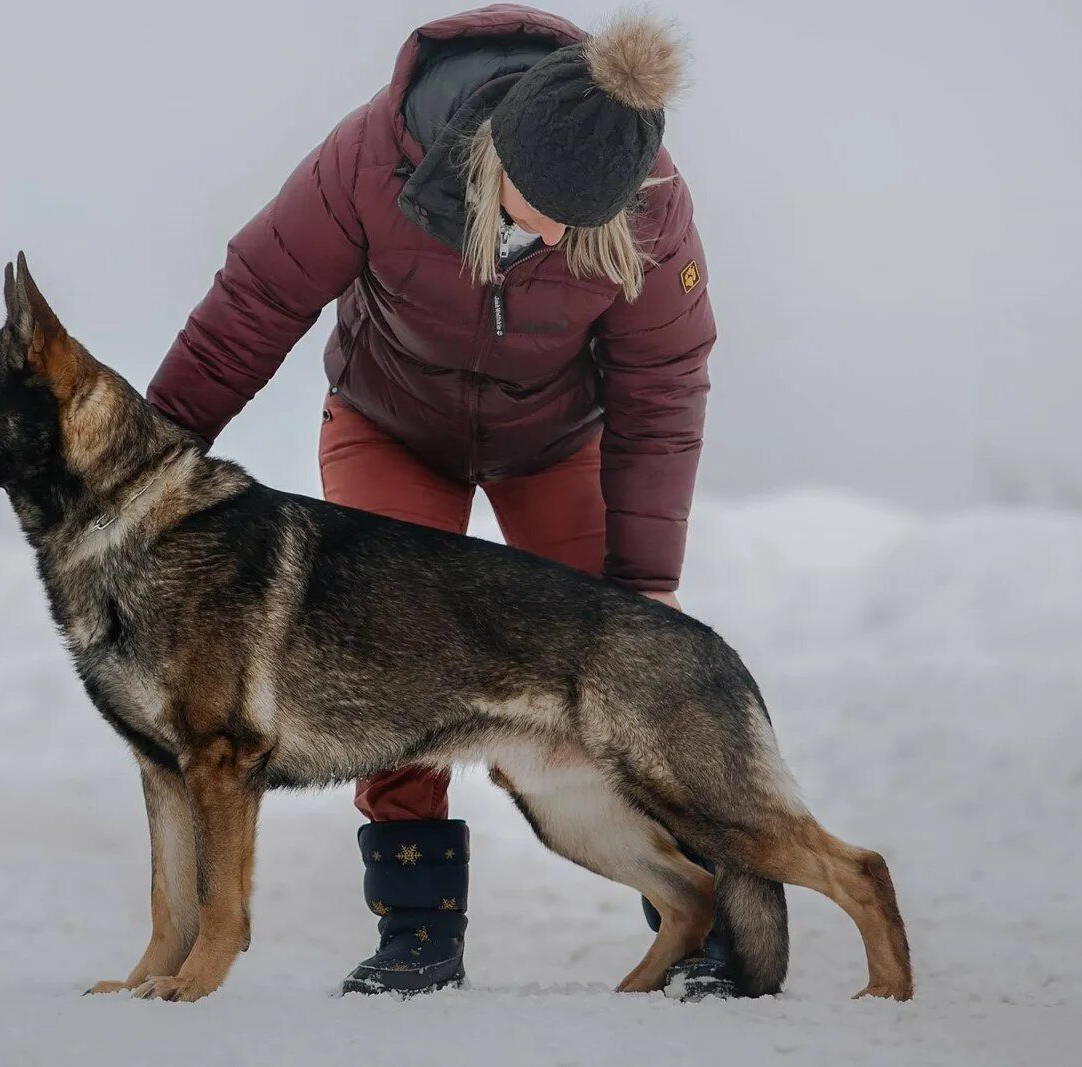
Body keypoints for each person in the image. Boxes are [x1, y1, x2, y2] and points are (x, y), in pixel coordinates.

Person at [148, 5, 735, 997]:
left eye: (577, 227)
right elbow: (253, 303)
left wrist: (647, 581)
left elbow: (661, 386)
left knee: (619, 665)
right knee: (382, 654)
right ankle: (415, 926)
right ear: (492, 152)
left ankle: (703, 914)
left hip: (553, 441)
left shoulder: (648, 201)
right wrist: (151, 464)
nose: (552, 236)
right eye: (541, 210)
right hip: (390, 423)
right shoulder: (373, 154)